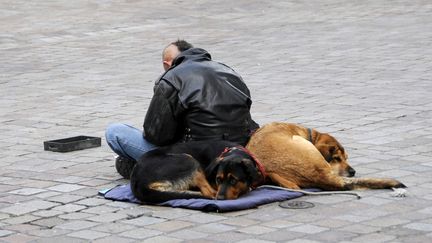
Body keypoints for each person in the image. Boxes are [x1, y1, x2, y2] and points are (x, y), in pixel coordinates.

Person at [105, 40, 259, 178]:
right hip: (236, 153)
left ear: (167, 64)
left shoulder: (171, 78)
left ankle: (153, 169)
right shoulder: (228, 71)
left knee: (115, 132)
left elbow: (156, 137)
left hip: (193, 161)